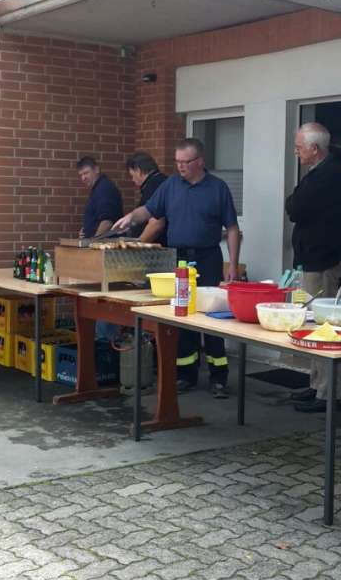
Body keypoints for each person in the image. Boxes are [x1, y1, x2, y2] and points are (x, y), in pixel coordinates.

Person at [114, 137, 240, 398]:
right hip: (179, 259)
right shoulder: (171, 185)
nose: (180, 167)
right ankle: (186, 374)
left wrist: (233, 265)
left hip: (207, 258)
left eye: (186, 162)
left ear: (200, 161)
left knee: (211, 316)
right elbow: (149, 211)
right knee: (182, 315)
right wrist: (129, 218)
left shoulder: (218, 188)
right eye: (177, 162)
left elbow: (232, 229)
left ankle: (219, 378)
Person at [285, 123, 341, 414]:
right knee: (311, 325)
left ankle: (327, 393)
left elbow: (295, 207)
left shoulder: (330, 175)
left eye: (299, 147)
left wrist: (295, 201)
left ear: (314, 148)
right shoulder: (319, 173)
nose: (296, 152)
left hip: (324, 261)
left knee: (324, 327)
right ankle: (316, 385)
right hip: (312, 258)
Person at [77, 156, 123, 238]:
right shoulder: (98, 188)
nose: (83, 178)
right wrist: (87, 229)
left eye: (86, 173)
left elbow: (107, 222)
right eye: (81, 175)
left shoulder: (104, 189)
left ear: (97, 169)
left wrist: (93, 243)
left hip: (104, 246)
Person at [126, 151, 167, 241]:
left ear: (138, 170)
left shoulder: (154, 186)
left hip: (155, 248)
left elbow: (156, 222)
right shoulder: (158, 183)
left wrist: (138, 245)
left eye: (132, 175)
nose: (133, 180)